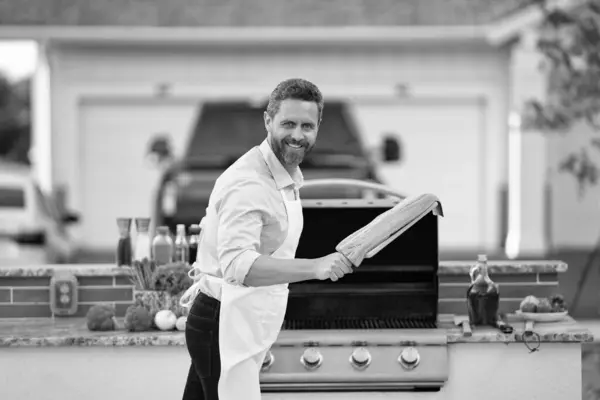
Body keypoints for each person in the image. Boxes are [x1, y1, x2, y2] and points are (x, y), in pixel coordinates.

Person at [179, 78, 354, 400]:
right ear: (268, 121)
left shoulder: (282, 174)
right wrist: (315, 267)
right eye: (288, 123)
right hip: (223, 321)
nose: (298, 135)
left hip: (236, 317)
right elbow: (237, 265)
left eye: (307, 126)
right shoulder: (249, 183)